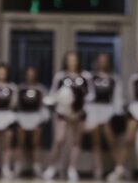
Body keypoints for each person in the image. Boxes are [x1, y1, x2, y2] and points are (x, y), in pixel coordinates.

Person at [107, 55, 138, 183]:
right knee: (128, 140)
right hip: (136, 109)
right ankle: (119, 169)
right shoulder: (135, 79)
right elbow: (133, 95)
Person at [43, 51, 92, 181]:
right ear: (65, 61)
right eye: (69, 59)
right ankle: (52, 167)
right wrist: (59, 101)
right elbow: (53, 93)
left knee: (76, 141)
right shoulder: (60, 76)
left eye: (74, 59)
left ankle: (72, 168)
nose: (72, 62)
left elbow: (91, 94)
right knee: (59, 140)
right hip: (63, 112)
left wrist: (79, 102)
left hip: (79, 113)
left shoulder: (85, 76)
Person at [85, 53, 123, 179]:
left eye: (105, 60)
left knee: (111, 140)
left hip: (108, 110)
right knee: (95, 141)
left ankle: (119, 167)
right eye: (100, 60)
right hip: (94, 110)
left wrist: (116, 114)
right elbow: (87, 95)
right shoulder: (90, 77)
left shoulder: (114, 78)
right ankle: (98, 169)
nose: (102, 63)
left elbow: (117, 98)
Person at [14, 66, 48, 177]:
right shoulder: (20, 88)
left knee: (36, 143)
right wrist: (18, 119)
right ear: (25, 75)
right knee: (20, 143)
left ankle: (37, 167)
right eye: (28, 74)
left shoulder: (40, 88)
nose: (30, 76)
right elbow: (15, 104)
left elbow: (44, 106)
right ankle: (18, 166)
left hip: (36, 117)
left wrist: (41, 120)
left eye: (32, 74)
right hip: (22, 116)